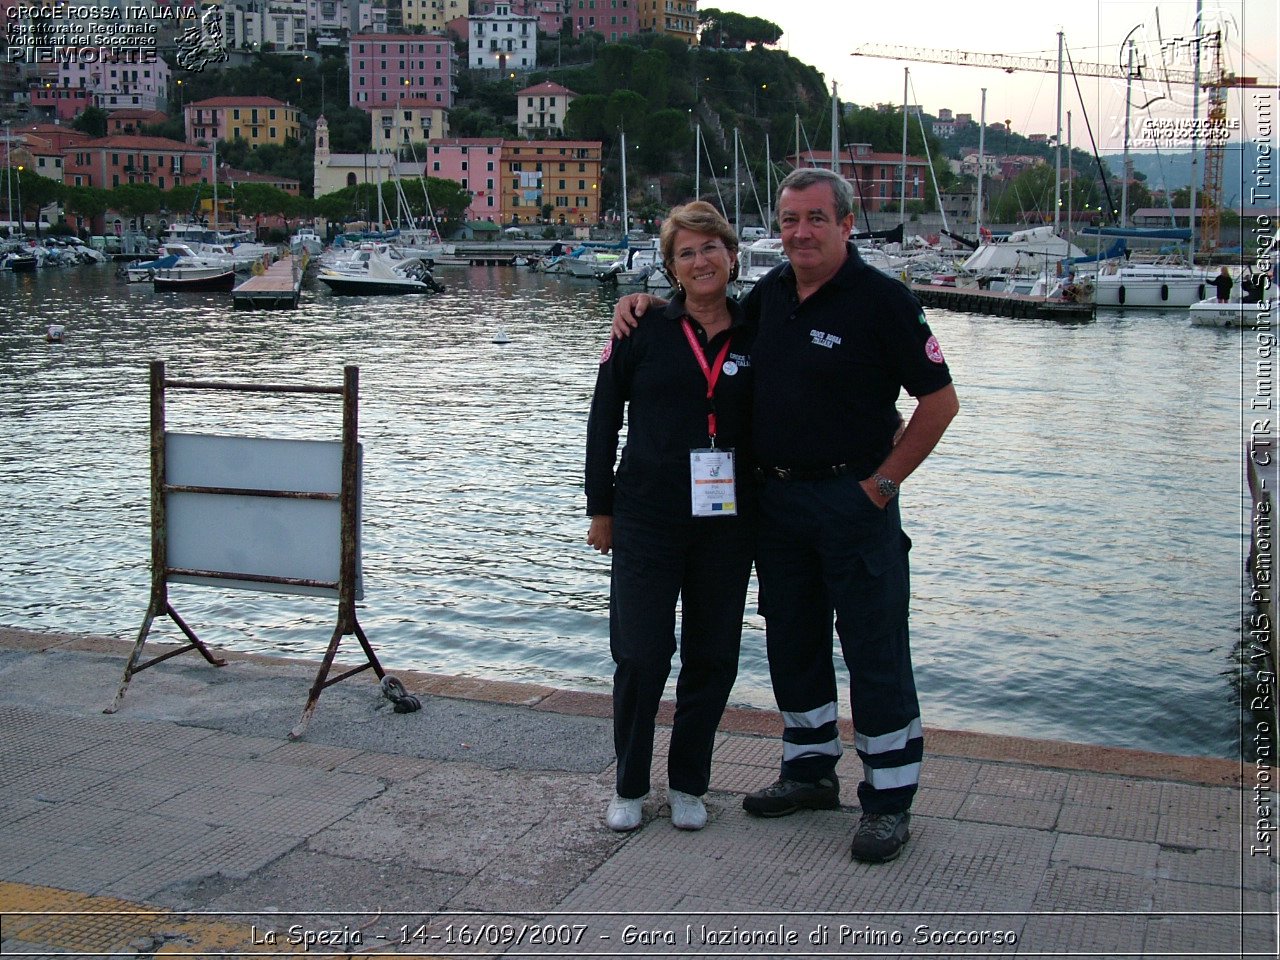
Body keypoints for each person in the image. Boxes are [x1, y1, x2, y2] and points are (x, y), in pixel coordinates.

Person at [611, 168, 959, 864]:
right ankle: (809, 773)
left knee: (875, 652)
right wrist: (641, 302)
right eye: (790, 219)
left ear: (847, 225)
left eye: (816, 219)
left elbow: (939, 403)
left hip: (853, 502)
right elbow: (701, 314)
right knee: (792, 644)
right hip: (776, 504)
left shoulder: (884, 302)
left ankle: (888, 803)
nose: (801, 232)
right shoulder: (769, 297)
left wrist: (882, 486)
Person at [586, 201, 756, 834]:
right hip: (647, 518)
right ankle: (629, 783)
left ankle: (689, 782)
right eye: (686, 252)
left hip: (727, 523)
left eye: (711, 247)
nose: (701, 260)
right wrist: (599, 509)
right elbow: (603, 422)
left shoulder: (757, 328)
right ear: (671, 267)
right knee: (640, 653)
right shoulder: (641, 329)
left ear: (732, 255)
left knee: (712, 656)